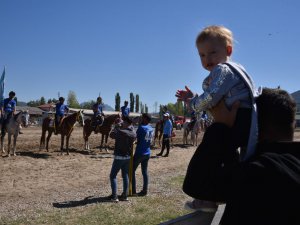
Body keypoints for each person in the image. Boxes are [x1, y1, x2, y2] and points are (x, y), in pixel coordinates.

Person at [182, 88, 300, 225]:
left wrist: (221, 126)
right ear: (293, 123)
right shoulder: (287, 165)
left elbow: (195, 183)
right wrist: (198, 99)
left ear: (252, 123)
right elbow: (234, 167)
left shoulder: (257, 172)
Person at [176, 25, 260, 210]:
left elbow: (211, 99)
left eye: (212, 52)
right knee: (226, 157)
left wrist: (192, 103)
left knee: (207, 155)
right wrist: (195, 98)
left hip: (238, 119)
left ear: (228, 50)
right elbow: (216, 95)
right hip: (243, 119)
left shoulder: (223, 69)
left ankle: (205, 196)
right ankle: (223, 194)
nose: (207, 59)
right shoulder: (236, 70)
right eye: (202, 55)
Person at [109, 116, 136, 202]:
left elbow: (111, 134)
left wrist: (116, 126)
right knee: (125, 176)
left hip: (119, 157)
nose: (122, 123)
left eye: (123, 122)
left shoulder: (120, 132)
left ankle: (114, 196)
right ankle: (125, 195)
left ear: (126, 123)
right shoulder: (133, 132)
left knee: (112, 176)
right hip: (128, 157)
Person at [132, 113, 154, 196]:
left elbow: (134, 137)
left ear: (145, 119)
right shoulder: (151, 128)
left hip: (139, 153)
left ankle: (133, 190)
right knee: (144, 172)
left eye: (142, 118)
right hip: (147, 152)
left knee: (132, 170)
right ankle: (145, 190)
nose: (140, 119)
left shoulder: (141, 128)